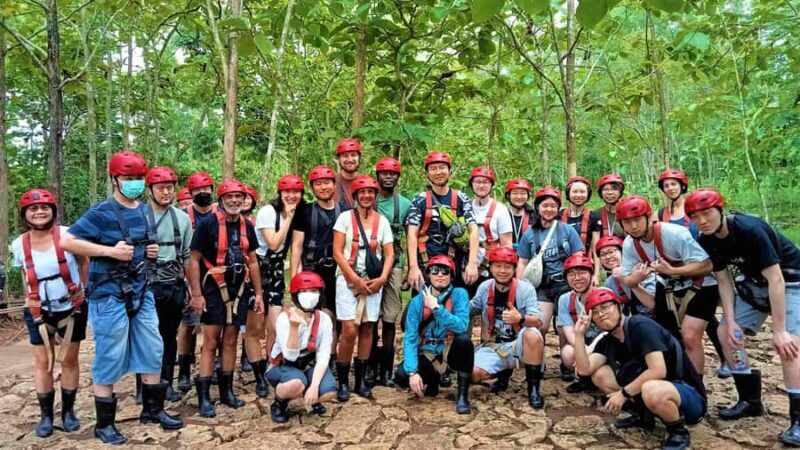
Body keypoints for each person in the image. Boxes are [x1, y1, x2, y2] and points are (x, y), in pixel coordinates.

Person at [61, 151, 183, 444]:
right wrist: (109, 251)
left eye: (138, 178)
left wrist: (149, 251)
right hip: (108, 295)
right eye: (128, 178)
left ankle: (153, 410)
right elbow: (67, 240)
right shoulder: (101, 212)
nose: (134, 183)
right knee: (110, 354)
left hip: (141, 290)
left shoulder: (143, 210)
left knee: (153, 348)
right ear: (115, 179)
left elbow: (140, 246)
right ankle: (104, 424)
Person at [685, 188, 800, 446]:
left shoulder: (750, 230)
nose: (702, 221)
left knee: (790, 346)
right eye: (695, 217)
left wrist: (779, 330)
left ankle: (798, 420)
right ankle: (749, 399)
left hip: (791, 280)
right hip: (755, 283)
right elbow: (724, 280)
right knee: (726, 334)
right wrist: (731, 321)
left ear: (721, 210)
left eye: (707, 213)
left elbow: (776, 279)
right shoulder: (707, 239)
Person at [574, 288, 706, 450]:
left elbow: (658, 370)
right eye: (594, 312)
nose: (601, 314)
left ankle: (678, 431)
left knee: (651, 388)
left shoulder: (640, 325)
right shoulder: (608, 341)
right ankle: (644, 416)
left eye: (606, 307)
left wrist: (623, 394)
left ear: (620, 307)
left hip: (688, 395)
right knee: (600, 375)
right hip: (655, 390)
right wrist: (579, 335)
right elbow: (584, 370)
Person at [12, 189, 88, 438]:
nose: (39, 212)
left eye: (44, 207)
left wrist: (84, 289)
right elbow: (25, 273)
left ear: (53, 211)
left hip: (71, 306)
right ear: (25, 214)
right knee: (43, 362)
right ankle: (46, 416)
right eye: (33, 209)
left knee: (69, 360)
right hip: (38, 308)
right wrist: (30, 299)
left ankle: (68, 412)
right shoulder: (19, 244)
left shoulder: (68, 234)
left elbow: (83, 261)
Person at [616, 195, 717, 375]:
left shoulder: (674, 234)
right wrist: (637, 277)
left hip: (702, 284)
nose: (633, 226)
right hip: (671, 288)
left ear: (648, 217)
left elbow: (707, 265)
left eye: (637, 220)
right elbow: (628, 280)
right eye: (627, 222)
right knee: (671, 336)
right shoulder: (630, 244)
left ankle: (696, 383)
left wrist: (672, 270)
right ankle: (679, 375)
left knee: (690, 337)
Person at [188, 179, 264, 418]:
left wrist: (258, 294)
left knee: (231, 340)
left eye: (238, 197)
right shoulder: (208, 224)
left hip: (238, 288)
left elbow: (253, 261)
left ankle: (226, 392)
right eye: (229, 197)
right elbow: (194, 260)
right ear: (221, 200)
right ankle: (203, 396)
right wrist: (196, 294)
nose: (234, 201)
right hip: (212, 288)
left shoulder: (246, 226)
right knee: (211, 341)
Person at [656, 171, 728, 378]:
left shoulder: (694, 210)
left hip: (704, 266)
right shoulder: (660, 215)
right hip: (678, 273)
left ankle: (728, 359)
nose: (670, 188)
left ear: (682, 186)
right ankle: (689, 365)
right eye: (666, 185)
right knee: (696, 320)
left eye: (674, 184)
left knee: (713, 318)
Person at [332, 176, 395, 401]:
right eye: (362, 192)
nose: (366, 196)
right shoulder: (344, 219)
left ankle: (360, 380)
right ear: (356, 196)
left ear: (375, 195)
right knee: (349, 328)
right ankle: (343, 380)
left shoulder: (382, 222)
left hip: (373, 280)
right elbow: (337, 251)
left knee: (368, 327)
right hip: (347, 279)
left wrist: (382, 278)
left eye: (370, 192)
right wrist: (354, 279)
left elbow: (389, 253)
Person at [516, 187, 584, 380]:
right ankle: (537, 362)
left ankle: (566, 364)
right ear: (538, 207)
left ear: (558, 208)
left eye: (553, 206)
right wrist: (520, 286)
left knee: (564, 327)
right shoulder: (530, 234)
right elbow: (522, 261)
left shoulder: (567, 230)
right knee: (541, 325)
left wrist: (579, 281)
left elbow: (579, 255)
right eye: (545, 205)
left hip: (566, 285)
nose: (549, 209)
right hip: (542, 286)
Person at [394, 255, 474, 414]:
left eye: (445, 271)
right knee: (402, 376)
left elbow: (461, 326)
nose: (440, 275)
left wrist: (437, 309)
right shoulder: (417, 302)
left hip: (450, 351)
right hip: (428, 352)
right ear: (428, 274)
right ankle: (433, 380)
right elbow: (410, 338)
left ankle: (462, 396)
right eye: (435, 271)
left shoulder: (459, 294)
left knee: (464, 341)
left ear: (451, 276)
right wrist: (412, 372)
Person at [291, 165, 350, 370]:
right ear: (312, 188)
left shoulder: (346, 211)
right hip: (312, 271)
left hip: (339, 272)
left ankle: (330, 360)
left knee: (337, 318)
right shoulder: (305, 212)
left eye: (327, 182)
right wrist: (295, 277)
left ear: (334, 185)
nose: (323, 187)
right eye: (318, 184)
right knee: (315, 317)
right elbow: (297, 245)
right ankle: (309, 358)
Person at [470, 247, 545, 408]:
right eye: (498, 266)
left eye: (507, 267)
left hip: (519, 344)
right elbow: (471, 308)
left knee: (532, 334)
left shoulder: (526, 288)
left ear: (514, 269)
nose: (502, 271)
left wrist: (520, 318)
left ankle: (533, 389)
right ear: (491, 268)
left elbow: (538, 321)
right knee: (473, 374)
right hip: (494, 345)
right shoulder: (485, 287)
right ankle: (502, 373)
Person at [252, 174, 306, 398]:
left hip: (275, 272)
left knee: (274, 325)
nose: (292, 196)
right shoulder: (268, 212)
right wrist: (288, 218)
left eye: (296, 192)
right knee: (255, 327)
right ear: (280, 193)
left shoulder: (299, 215)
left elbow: (296, 248)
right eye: (287, 192)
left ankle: (270, 367)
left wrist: (297, 279)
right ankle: (256, 372)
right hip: (257, 269)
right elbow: (273, 244)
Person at [144, 167, 193, 403]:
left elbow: (188, 255)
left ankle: (166, 383)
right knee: (145, 336)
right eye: (161, 188)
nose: (166, 192)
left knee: (168, 335)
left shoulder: (182, 219)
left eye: (169, 188)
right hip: (145, 285)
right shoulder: (139, 216)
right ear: (150, 190)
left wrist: (193, 288)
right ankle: (144, 386)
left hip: (173, 284)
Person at [267, 272, 337, 423]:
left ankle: (311, 396)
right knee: (296, 384)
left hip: (307, 365)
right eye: (304, 292)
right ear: (295, 295)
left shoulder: (324, 319)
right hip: (284, 365)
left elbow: (324, 356)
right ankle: (279, 403)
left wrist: (315, 386)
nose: (309, 295)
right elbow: (290, 356)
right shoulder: (284, 319)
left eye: (314, 291)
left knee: (329, 392)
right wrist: (294, 328)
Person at [406, 151, 479, 292]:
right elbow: (411, 233)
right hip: (426, 262)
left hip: (455, 262)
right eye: (433, 169)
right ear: (427, 174)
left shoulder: (461, 198)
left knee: (457, 301)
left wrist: (472, 263)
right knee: (422, 303)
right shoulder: (419, 200)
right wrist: (413, 267)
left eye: (442, 167)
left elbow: (473, 229)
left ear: (450, 171)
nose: (438, 172)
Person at [368, 157, 411, 387]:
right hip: (369, 264)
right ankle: (369, 367)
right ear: (377, 175)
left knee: (389, 318)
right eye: (384, 173)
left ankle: (386, 369)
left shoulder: (404, 204)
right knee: (369, 318)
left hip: (394, 264)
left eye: (393, 173)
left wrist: (411, 268)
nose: (388, 177)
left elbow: (411, 235)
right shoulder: (366, 199)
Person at [176, 171, 217, 393]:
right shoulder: (183, 216)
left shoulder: (219, 213)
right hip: (188, 274)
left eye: (206, 189)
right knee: (188, 323)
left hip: (215, 275)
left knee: (215, 324)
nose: (203, 193)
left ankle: (214, 366)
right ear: (190, 193)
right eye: (198, 190)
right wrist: (190, 284)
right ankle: (184, 370)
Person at [556, 254, 605, 394]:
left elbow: (610, 331)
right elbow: (569, 332)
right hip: (583, 341)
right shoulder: (565, 300)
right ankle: (585, 380)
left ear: (591, 274)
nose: (577, 278)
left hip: (605, 344)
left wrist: (590, 350)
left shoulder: (604, 295)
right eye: (571, 274)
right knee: (568, 353)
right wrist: (583, 350)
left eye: (582, 272)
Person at [468, 166, 513, 296]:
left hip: (490, 265)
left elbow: (506, 244)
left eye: (485, 182)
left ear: (491, 185)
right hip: (466, 262)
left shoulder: (500, 210)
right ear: (472, 184)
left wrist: (502, 270)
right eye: (477, 182)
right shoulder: (465, 206)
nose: (481, 186)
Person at [596, 235, 656, 318]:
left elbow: (653, 303)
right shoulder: (609, 283)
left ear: (622, 252)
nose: (608, 257)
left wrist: (626, 278)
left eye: (611, 252)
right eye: (603, 254)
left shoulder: (640, 268)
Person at [561, 176, 602, 282]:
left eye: (582, 192)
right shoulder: (559, 215)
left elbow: (595, 247)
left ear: (587, 194)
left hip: (584, 266)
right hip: (560, 267)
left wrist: (596, 275)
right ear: (568, 193)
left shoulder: (593, 216)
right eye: (575, 191)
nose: (578, 195)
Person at [504, 178, 534, 252]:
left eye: (523, 193)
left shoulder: (534, 214)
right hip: (506, 254)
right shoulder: (502, 214)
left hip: (528, 254)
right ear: (508, 196)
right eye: (515, 193)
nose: (519, 197)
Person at [333, 138, 362, 208]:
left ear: (359, 157)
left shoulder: (368, 182)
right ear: (339, 159)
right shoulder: (331, 184)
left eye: (353, 155)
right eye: (345, 156)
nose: (350, 160)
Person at [594, 174, 626, 239]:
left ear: (620, 192)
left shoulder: (627, 213)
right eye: (606, 189)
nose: (610, 192)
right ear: (601, 193)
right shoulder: (596, 215)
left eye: (614, 189)